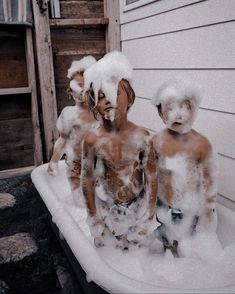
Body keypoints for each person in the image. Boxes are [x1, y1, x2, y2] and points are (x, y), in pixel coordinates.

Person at [82, 51, 159, 249]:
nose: (107, 99)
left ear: (130, 99)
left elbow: (151, 176)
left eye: (114, 93)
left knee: (138, 254)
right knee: (108, 252)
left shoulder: (142, 136)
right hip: (107, 208)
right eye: (100, 96)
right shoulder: (92, 140)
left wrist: (149, 216)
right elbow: (87, 179)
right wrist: (94, 217)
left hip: (137, 206)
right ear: (94, 106)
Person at [151, 78, 218, 256]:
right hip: (164, 207)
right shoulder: (156, 142)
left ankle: (186, 265)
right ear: (160, 112)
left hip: (191, 210)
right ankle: (168, 259)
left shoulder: (201, 144)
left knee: (188, 249)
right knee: (167, 244)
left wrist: (207, 213)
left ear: (194, 110)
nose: (177, 115)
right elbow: (149, 175)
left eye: (184, 107)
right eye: (170, 108)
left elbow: (209, 183)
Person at [47, 56, 99, 206]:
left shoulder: (99, 115)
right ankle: (76, 212)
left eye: (87, 85)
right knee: (80, 202)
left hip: (95, 164)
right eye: (78, 85)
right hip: (74, 164)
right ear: (70, 90)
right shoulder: (69, 114)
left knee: (97, 200)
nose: (82, 90)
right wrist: (54, 161)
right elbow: (62, 140)